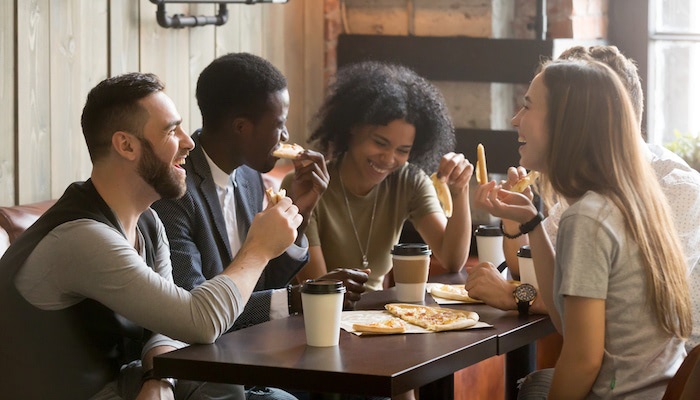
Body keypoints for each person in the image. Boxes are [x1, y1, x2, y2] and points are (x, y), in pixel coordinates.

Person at [0, 72, 302, 400]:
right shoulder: (82, 237)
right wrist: (258, 248)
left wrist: (159, 379)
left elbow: (165, 325)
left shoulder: (149, 221)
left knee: (238, 386)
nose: (188, 142)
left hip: (122, 381)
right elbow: (198, 321)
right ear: (126, 145)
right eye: (172, 130)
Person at [474, 58, 691, 399]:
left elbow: (582, 360)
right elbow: (567, 324)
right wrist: (533, 223)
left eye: (527, 107)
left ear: (566, 125)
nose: (515, 119)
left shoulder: (589, 219)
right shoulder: (629, 201)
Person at [152, 53, 368, 326]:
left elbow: (261, 282)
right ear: (241, 127)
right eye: (279, 124)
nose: (286, 136)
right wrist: (296, 299)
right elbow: (196, 309)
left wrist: (300, 210)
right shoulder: (174, 191)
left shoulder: (249, 175)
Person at [286, 61, 474, 292]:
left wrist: (460, 190)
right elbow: (318, 289)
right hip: (321, 316)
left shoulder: (409, 182)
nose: (389, 158)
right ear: (353, 127)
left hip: (380, 317)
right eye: (380, 143)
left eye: (403, 150)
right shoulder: (307, 185)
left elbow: (451, 259)